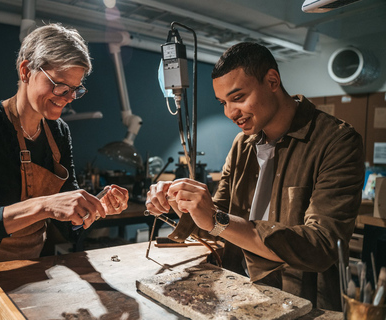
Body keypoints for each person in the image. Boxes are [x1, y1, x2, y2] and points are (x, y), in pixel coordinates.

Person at [0, 23, 129, 319]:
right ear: (26, 71)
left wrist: (94, 206)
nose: (68, 97)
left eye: (76, 89)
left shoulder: (59, 132)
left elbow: (66, 223)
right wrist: (43, 205)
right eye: (60, 84)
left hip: (33, 278)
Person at [146, 42, 364, 311]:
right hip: (240, 290)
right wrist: (184, 203)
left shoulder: (336, 141)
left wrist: (216, 219)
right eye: (223, 102)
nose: (230, 113)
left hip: (304, 302)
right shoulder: (242, 144)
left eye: (238, 98)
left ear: (272, 80)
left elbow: (321, 246)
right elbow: (219, 218)